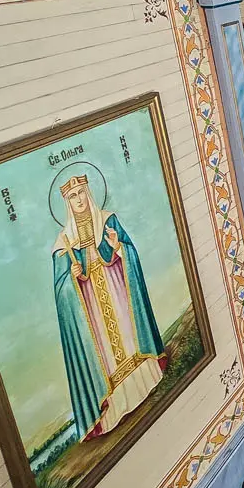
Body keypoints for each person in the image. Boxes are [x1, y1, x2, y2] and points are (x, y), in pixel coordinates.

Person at [52, 173, 168, 440]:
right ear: (67, 202)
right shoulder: (63, 243)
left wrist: (118, 248)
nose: (79, 199)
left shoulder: (107, 221)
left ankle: (145, 381)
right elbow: (61, 292)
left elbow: (130, 251)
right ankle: (115, 408)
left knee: (128, 334)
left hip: (117, 290)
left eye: (82, 192)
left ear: (89, 193)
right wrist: (72, 278)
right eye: (73, 196)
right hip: (91, 306)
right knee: (105, 349)